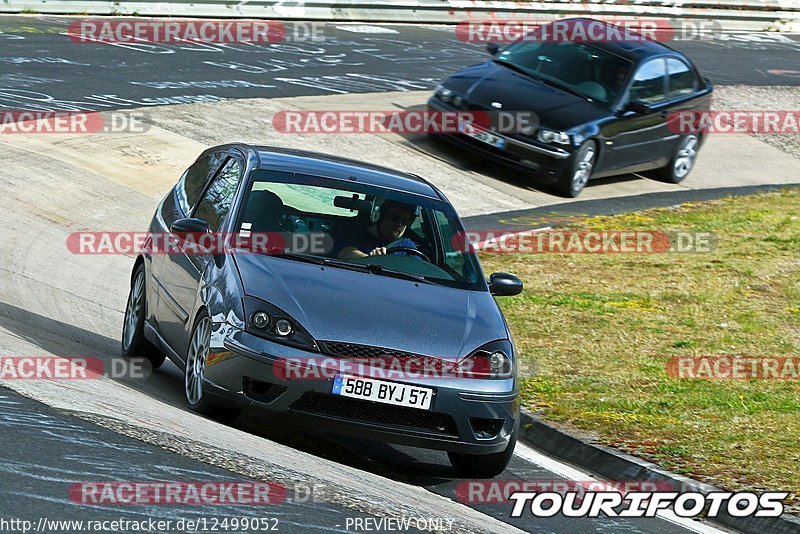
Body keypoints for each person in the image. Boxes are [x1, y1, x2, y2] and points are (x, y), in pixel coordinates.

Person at [336, 199, 419, 260]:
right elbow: (345, 253)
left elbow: (418, 270)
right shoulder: (355, 233)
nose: (399, 224)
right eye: (394, 218)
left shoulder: (408, 247)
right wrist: (370, 259)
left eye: (404, 221)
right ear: (381, 216)